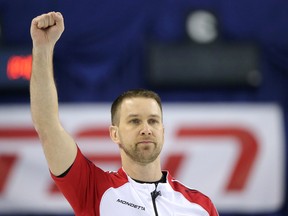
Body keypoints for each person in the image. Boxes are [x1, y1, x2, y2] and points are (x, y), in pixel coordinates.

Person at [30, 12, 219, 216]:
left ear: (163, 131)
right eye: (134, 121)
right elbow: (47, 126)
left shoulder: (200, 206)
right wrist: (42, 48)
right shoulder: (94, 190)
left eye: (153, 121)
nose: (146, 129)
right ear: (115, 134)